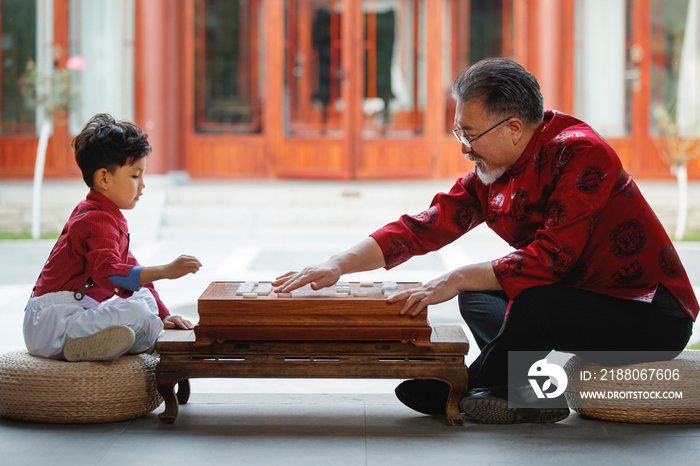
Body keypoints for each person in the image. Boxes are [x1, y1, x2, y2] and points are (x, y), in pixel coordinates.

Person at [273, 57, 698, 424]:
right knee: (478, 297)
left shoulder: (582, 154)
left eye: (469, 134)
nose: (464, 148)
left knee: (532, 300)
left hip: (648, 314)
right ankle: (529, 395)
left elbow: (552, 262)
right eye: (460, 134)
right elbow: (425, 225)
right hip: (579, 299)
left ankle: (467, 385)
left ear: (513, 127)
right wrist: (338, 264)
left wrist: (457, 276)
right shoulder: (492, 172)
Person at [24, 113, 202, 362]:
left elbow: (132, 270)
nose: (142, 185)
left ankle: (105, 342)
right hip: (52, 325)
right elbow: (110, 273)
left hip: (71, 316)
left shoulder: (106, 216)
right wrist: (166, 270)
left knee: (144, 299)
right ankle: (92, 346)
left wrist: (164, 315)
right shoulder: (94, 220)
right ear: (104, 178)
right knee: (140, 315)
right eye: (134, 175)